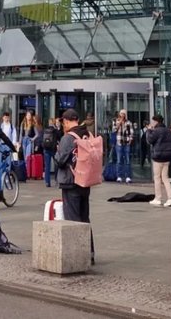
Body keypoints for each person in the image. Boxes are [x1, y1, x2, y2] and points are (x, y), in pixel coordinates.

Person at [54, 108, 96, 265]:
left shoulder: (68, 137)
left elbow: (60, 160)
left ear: (66, 121)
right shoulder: (87, 134)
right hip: (85, 181)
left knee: (73, 218)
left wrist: (55, 150)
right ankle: (89, 252)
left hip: (71, 182)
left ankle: (78, 256)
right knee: (84, 218)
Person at [146, 114, 171, 207]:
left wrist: (149, 130)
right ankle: (170, 198)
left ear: (156, 121)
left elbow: (149, 140)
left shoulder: (156, 131)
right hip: (167, 157)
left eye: (153, 121)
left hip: (158, 156)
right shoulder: (168, 130)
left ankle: (158, 198)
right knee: (165, 177)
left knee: (157, 177)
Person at [114, 110, 135, 183]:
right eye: (121, 114)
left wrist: (130, 140)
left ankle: (128, 176)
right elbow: (114, 130)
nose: (122, 115)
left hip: (126, 143)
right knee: (119, 160)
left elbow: (131, 132)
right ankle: (119, 176)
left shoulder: (128, 122)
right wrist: (119, 123)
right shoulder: (116, 121)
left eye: (124, 114)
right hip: (119, 142)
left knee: (127, 160)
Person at [42, 117, 61, 187]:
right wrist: (58, 128)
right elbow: (60, 137)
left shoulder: (45, 129)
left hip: (46, 149)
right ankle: (56, 180)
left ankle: (47, 182)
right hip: (53, 150)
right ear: (53, 123)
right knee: (56, 165)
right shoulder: (55, 130)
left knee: (47, 166)